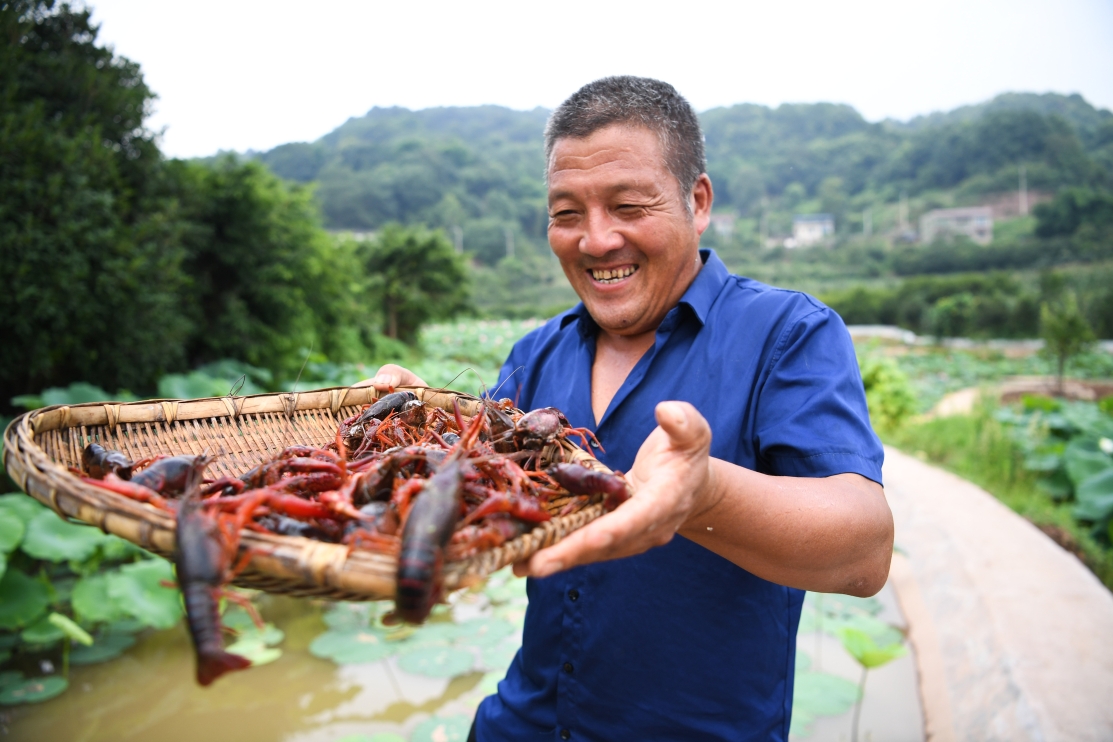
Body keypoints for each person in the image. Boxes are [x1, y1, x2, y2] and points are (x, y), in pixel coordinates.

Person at [361, 76, 893, 741]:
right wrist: (415, 445)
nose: (596, 240)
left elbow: (863, 553)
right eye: (565, 213)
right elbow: (477, 494)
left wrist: (701, 494)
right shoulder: (534, 356)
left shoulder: (788, 333)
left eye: (627, 205)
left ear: (696, 201)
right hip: (519, 725)